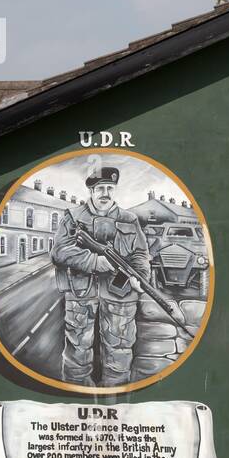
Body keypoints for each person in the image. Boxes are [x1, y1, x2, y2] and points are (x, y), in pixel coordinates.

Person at [50, 164, 152, 387]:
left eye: (110, 188)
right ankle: (75, 398)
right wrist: (96, 262)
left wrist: (140, 276)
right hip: (81, 292)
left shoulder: (129, 219)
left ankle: (117, 402)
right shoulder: (73, 217)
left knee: (120, 351)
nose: (105, 193)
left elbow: (141, 254)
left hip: (121, 294)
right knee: (77, 352)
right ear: (91, 191)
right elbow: (59, 251)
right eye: (100, 188)